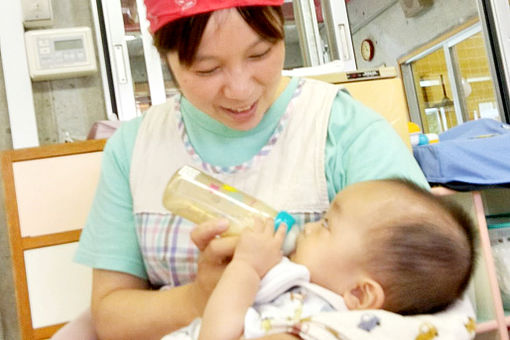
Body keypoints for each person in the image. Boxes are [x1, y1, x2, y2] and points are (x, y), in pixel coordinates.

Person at [51, 1, 432, 339]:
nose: (239, 90)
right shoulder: (135, 148)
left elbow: (427, 290)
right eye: (207, 69)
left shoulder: (344, 130)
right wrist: (201, 296)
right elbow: (111, 316)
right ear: (166, 59)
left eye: (259, 54)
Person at [162, 178, 477, 340]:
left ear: (359, 293)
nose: (309, 227)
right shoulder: (309, 293)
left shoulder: (313, 327)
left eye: (326, 224)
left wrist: (245, 269)